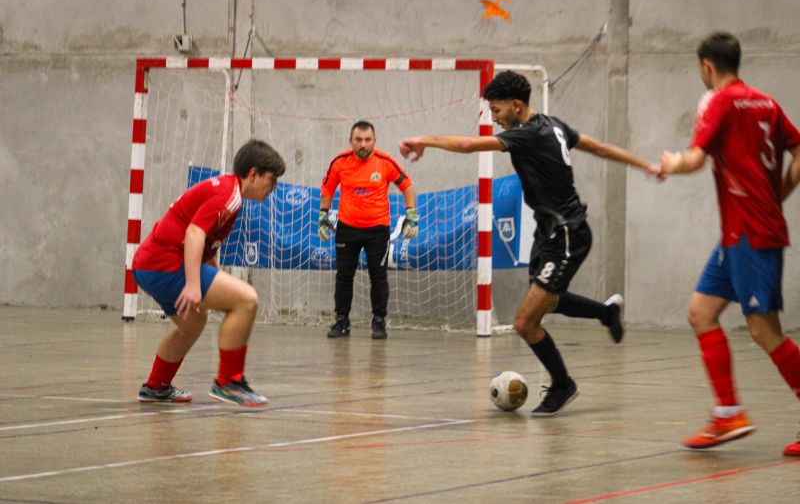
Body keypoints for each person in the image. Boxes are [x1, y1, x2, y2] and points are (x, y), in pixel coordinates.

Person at [399, 71, 659, 416]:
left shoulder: (528, 134)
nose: (494, 118)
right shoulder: (554, 125)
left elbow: (467, 146)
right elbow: (599, 147)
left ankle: (563, 384)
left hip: (566, 234)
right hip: (547, 231)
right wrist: (644, 164)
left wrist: (424, 140)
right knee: (547, 302)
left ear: (516, 106)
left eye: (496, 110)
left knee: (525, 322)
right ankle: (605, 312)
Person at [660, 31, 800, 454]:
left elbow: (694, 159)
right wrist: (778, 194)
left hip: (753, 233)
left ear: (706, 66)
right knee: (701, 312)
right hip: (739, 232)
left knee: (764, 331)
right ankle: (728, 414)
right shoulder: (766, 102)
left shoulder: (719, 101)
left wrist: (672, 164)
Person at [132, 139, 286, 407]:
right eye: (272, 180)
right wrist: (194, 285)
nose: (274, 187)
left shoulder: (228, 192)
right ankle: (229, 382)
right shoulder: (229, 195)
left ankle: (156, 386)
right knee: (246, 300)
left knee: (192, 323)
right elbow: (194, 233)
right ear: (253, 174)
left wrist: (213, 277)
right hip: (164, 264)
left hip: (148, 266)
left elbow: (204, 244)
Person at [319, 120, 418, 340]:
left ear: (374, 140)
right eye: (358, 140)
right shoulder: (339, 162)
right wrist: (322, 216)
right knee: (344, 276)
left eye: (367, 140)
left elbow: (407, 185)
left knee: (378, 276)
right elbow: (327, 188)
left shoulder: (385, 162)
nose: (363, 144)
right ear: (350, 141)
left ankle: (379, 322)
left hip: (378, 230)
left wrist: (411, 216)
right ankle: (341, 321)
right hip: (347, 229)